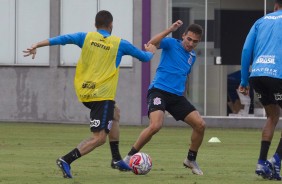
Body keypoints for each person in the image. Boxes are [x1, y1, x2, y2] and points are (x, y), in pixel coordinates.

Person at [23, 10, 156, 178]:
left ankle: (116, 159)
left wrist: (37, 45)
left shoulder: (86, 37)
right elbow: (144, 57)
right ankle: (66, 160)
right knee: (99, 138)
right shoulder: (119, 43)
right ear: (111, 25)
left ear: (95, 25)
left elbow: (62, 39)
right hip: (102, 95)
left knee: (116, 112)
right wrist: (151, 50)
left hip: (84, 92)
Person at [123, 20, 206, 175]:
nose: (190, 43)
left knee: (200, 125)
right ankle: (128, 157)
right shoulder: (171, 43)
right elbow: (151, 43)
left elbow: (183, 75)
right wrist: (170, 29)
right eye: (189, 39)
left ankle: (190, 159)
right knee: (155, 125)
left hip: (176, 97)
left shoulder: (192, 56)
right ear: (183, 36)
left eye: (195, 41)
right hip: (159, 91)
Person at [239, 0, 282, 180]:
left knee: (272, 116)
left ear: (275, 6)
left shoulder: (261, 21)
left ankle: (262, 162)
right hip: (278, 75)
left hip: (257, 75)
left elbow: (246, 49)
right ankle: (276, 160)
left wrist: (244, 80)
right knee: (273, 115)